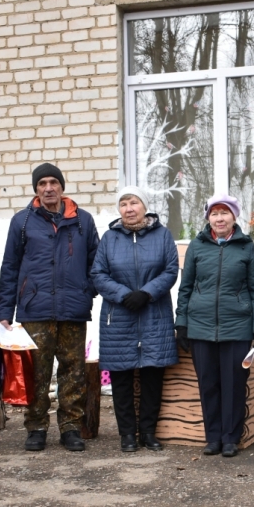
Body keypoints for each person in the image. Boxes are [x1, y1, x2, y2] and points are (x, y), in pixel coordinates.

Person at [0, 163, 100, 452]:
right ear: (36, 189)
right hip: (35, 308)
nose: (48, 188)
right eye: (42, 183)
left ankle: (70, 428)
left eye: (53, 182)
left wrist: (86, 290)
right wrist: (5, 311)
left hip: (73, 309)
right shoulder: (23, 221)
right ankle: (36, 427)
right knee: (36, 373)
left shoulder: (83, 220)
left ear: (62, 186)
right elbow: (10, 267)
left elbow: (96, 262)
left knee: (73, 371)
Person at [176, 194, 254, 458]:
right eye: (214, 213)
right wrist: (181, 323)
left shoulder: (246, 247)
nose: (219, 218)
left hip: (237, 326)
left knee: (234, 385)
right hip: (200, 327)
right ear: (208, 218)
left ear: (234, 217)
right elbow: (185, 288)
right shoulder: (196, 246)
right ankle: (213, 437)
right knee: (208, 384)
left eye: (224, 213)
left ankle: (231, 438)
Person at [91, 186, 179, 452]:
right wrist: (124, 294)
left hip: (154, 315)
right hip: (118, 317)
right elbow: (98, 274)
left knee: (153, 377)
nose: (129, 209)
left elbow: (171, 270)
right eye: (124, 204)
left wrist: (147, 293)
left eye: (134, 203)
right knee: (121, 379)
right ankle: (127, 434)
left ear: (145, 206)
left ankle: (148, 433)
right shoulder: (109, 238)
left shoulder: (163, 235)